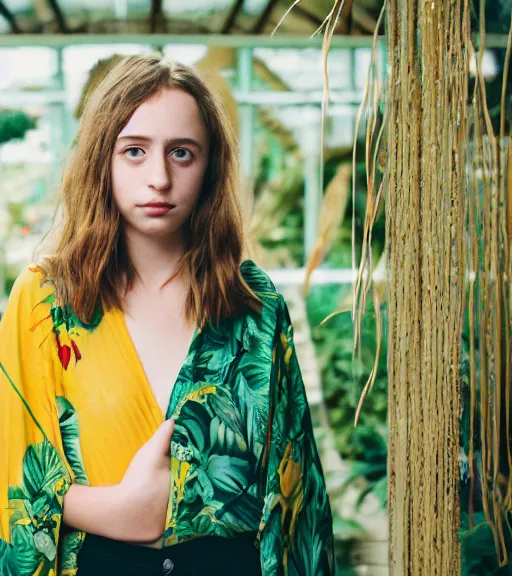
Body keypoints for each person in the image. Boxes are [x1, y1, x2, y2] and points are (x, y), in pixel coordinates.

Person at [0, 53, 335, 576]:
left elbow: (296, 506)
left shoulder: (255, 304)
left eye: (181, 153)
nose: (158, 178)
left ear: (210, 167)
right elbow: (10, 481)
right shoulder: (46, 300)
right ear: (100, 161)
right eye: (133, 151)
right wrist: (115, 512)